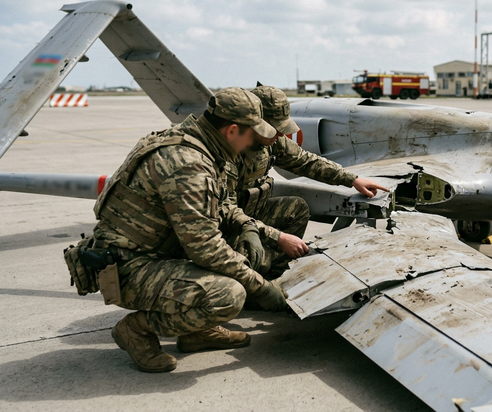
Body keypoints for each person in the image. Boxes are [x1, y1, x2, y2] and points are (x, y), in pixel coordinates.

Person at [91, 87, 287, 373]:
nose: (252, 144)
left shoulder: (195, 144)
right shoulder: (188, 165)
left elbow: (216, 207)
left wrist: (248, 226)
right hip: (126, 267)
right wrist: (263, 287)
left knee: (236, 256)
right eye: (251, 136)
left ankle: (197, 332)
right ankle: (136, 330)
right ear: (233, 130)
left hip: (155, 252)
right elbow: (206, 247)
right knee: (228, 295)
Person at [232, 85, 388, 282]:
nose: (280, 135)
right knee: (244, 258)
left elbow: (305, 160)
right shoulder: (229, 150)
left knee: (296, 208)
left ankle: (272, 275)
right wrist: (279, 238)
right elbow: (224, 211)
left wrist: (352, 179)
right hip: (228, 222)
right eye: (275, 128)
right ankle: (252, 283)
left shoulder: (271, 140)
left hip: (250, 211)